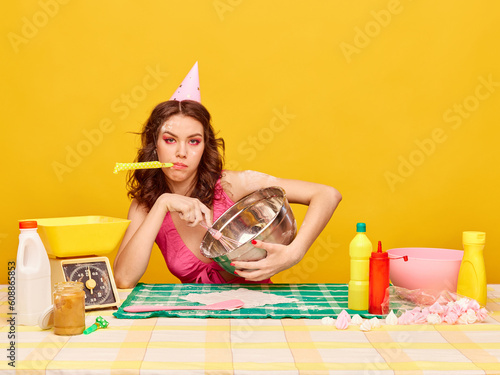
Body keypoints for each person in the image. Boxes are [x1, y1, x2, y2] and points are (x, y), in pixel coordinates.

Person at [113, 63, 341, 288]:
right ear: (154, 145)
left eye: (193, 141)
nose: (181, 153)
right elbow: (123, 278)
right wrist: (163, 203)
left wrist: (294, 253)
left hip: (258, 314)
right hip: (195, 317)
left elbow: (327, 194)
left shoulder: (232, 184)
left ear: (204, 147)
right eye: (170, 140)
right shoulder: (146, 206)